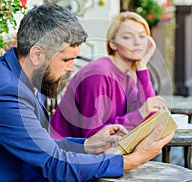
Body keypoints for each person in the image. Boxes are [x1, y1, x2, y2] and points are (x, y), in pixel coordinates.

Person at [0, 4, 174, 181]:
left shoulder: (20, 73)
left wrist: (89, 145)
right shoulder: (6, 93)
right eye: (66, 59)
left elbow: (45, 146)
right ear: (37, 54)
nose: (72, 67)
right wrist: (131, 161)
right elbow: (54, 165)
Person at [50, 11, 166, 139]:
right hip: (65, 150)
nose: (137, 42)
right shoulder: (98, 75)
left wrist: (142, 68)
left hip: (106, 148)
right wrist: (141, 112)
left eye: (142, 36)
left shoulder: (128, 74)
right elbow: (93, 136)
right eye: (127, 37)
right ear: (113, 44)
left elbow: (149, 118)